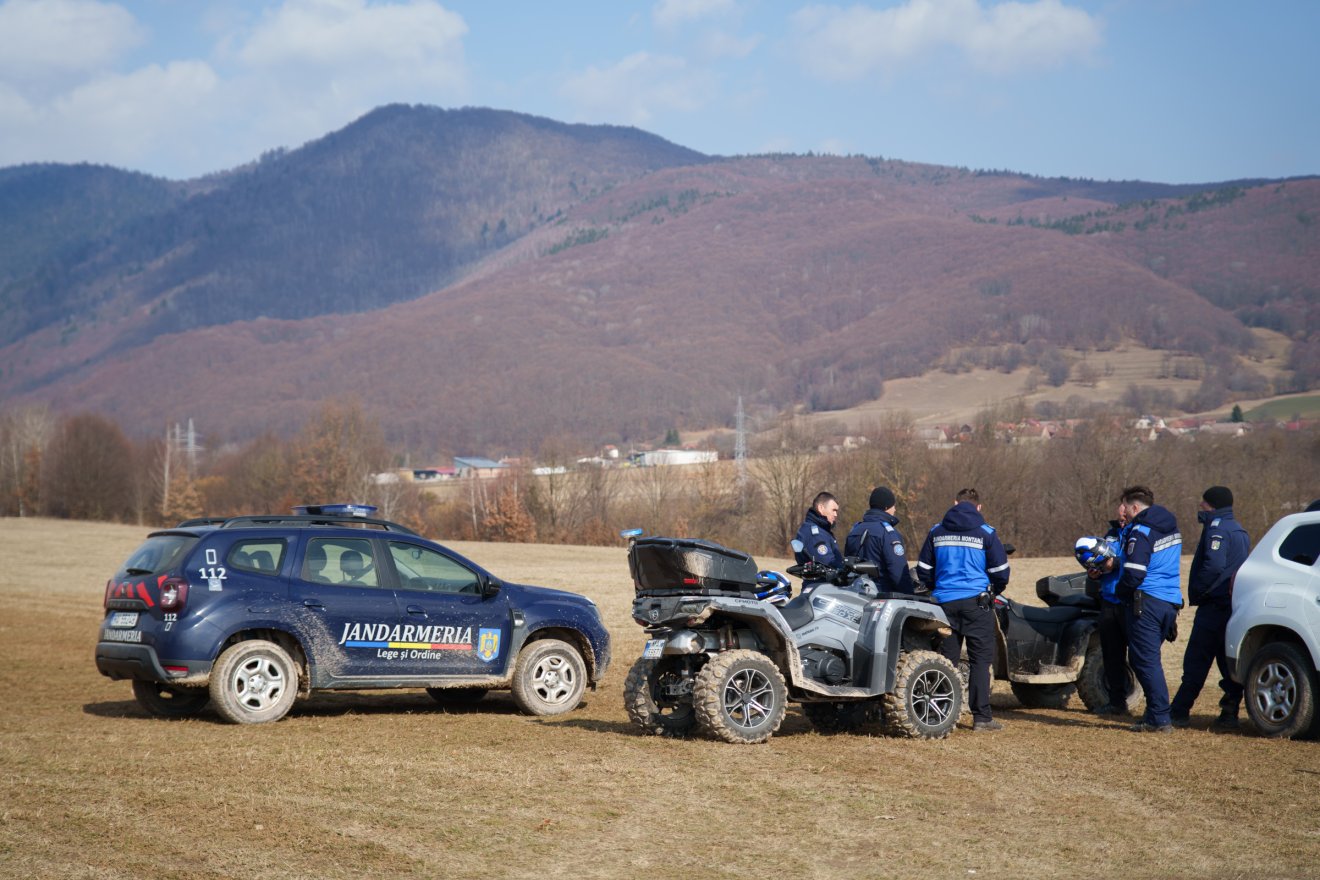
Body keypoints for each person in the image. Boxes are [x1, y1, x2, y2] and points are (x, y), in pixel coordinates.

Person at [916, 488, 1011, 732]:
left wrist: (937, 587)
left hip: (944, 606)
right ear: (979, 507)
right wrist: (993, 591)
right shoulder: (986, 533)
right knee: (980, 661)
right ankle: (982, 718)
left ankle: (940, 713)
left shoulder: (936, 531)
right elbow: (1001, 572)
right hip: (976, 604)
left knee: (946, 660)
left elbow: (923, 569)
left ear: (955, 502)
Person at [1169, 486, 1250, 729]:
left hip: (1213, 606)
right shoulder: (1239, 530)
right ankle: (1229, 712)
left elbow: (1214, 566)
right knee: (1227, 663)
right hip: (1232, 606)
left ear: (1212, 505)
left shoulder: (1217, 530)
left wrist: (1200, 589)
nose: (1200, 506)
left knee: (1196, 660)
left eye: (1203, 502)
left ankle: (1179, 711)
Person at [1116, 485, 1183, 734]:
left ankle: (1160, 718)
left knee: (1144, 661)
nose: (1124, 512)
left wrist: (1120, 592)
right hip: (1169, 601)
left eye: (1126, 508)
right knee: (1150, 659)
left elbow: (1135, 573)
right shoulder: (1172, 528)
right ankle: (1155, 713)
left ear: (1135, 507)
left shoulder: (1141, 531)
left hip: (1147, 601)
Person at [1085, 496, 1133, 715]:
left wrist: (1117, 563)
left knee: (1140, 657)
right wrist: (1094, 572)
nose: (1121, 520)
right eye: (1119, 516)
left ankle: (1154, 706)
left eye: (1125, 517)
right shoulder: (1111, 535)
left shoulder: (1140, 534)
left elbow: (1140, 560)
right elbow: (1100, 560)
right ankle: (1116, 702)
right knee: (1111, 655)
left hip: (1131, 602)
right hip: (1109, 601)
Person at [844, 486, 916, 594]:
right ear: (886, 507)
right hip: (881, 596)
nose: (895, 509)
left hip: (856, 594)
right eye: (893, 506)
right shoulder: (888, 533)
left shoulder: (854, 531)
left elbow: (847, 564)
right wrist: (910, 595)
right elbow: (898, 572)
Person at [794, 491, 843, 567]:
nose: (835, 514)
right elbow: (828, 564)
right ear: (821, 508)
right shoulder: (815, 534)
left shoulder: (819, 530)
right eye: (833, 510)